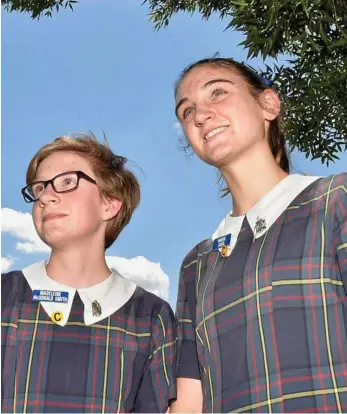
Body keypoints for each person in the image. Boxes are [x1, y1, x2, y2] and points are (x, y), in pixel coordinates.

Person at [170, 57, 347, 413]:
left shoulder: (336, 200)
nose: (200, 115)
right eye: (186, 111)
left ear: (268, 104)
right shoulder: (197, 264)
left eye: (217, 92)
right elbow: (190, 399)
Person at [2, 133, 176, 413]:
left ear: (109, 204)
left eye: (67, 182)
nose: (46, 197)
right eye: (38, 190)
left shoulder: (152, 318)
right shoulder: (5, 298)